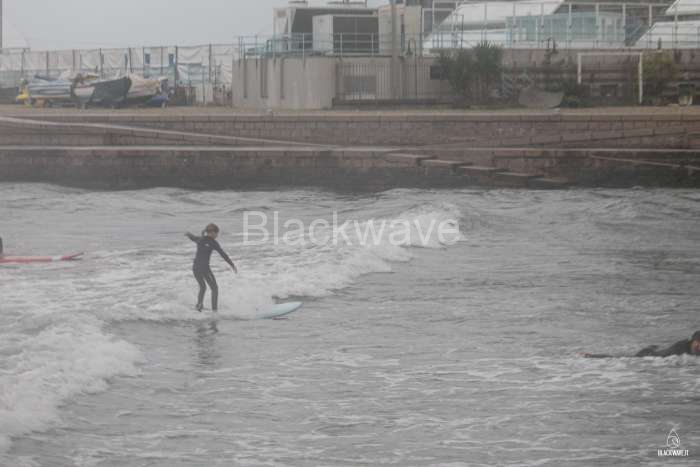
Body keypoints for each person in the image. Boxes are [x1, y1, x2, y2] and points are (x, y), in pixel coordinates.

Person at [186, 224, 237, 312]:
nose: (217, 235)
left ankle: (199, 306)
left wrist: (188, 234)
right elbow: (223, 254)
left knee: (203, 287)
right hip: (204, 269)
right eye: (217, 233)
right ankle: (214, 311)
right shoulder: (213, 242)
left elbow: (192, 237)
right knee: (214, 289)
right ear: (213, 233)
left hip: (195, 268)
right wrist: (232, 265)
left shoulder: (200, 239)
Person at [582, 330, 700, 358]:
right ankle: (590, 356)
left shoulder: (693, 349)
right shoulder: (681, 347)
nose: (699, 346)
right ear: (692, 341)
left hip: (654, 353)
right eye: (697, 343)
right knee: (619, 358)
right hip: (647, 356)